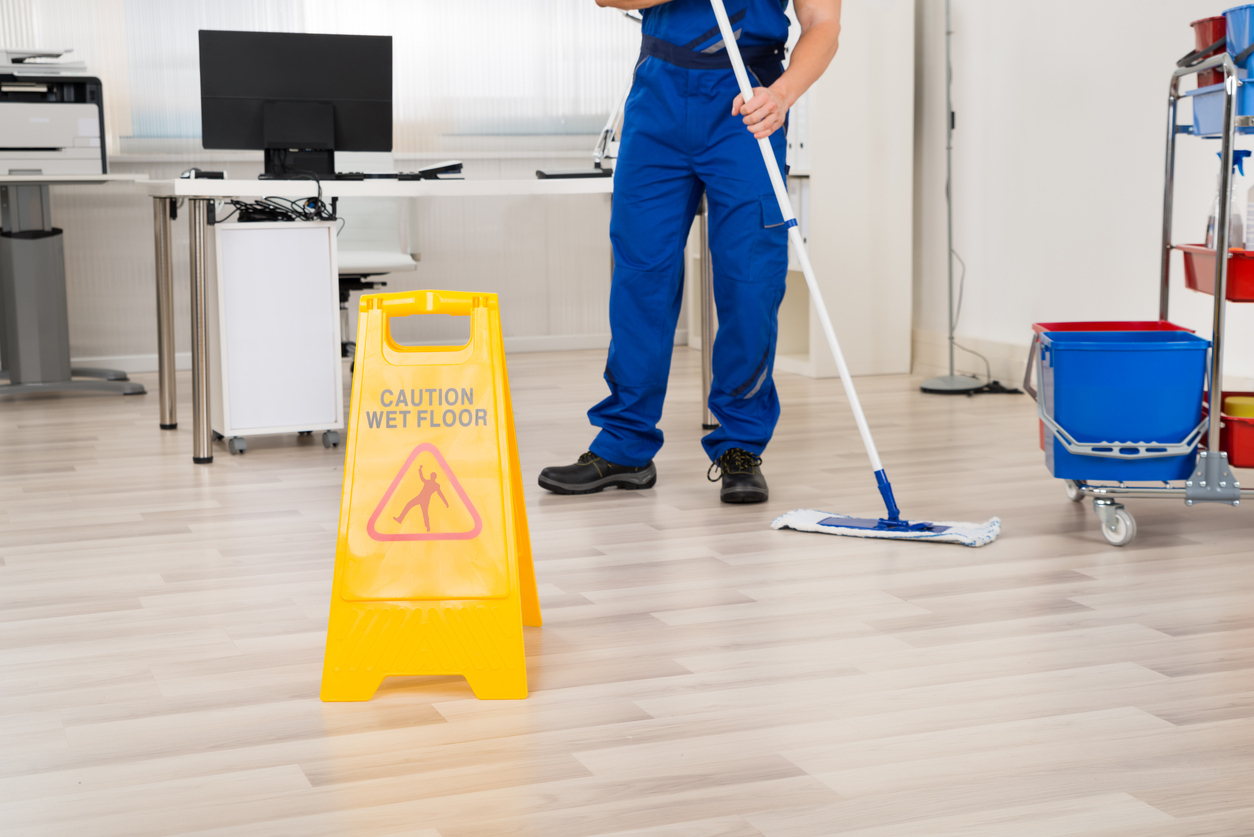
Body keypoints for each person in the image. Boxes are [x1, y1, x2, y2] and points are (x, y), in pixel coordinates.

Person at [540, 0, 842, 503]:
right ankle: (625, 444)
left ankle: (740, 446)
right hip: (659, 93)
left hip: (749, 99)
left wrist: (783, 96)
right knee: (641, 275)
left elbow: (823, 24)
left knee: (750, 280)